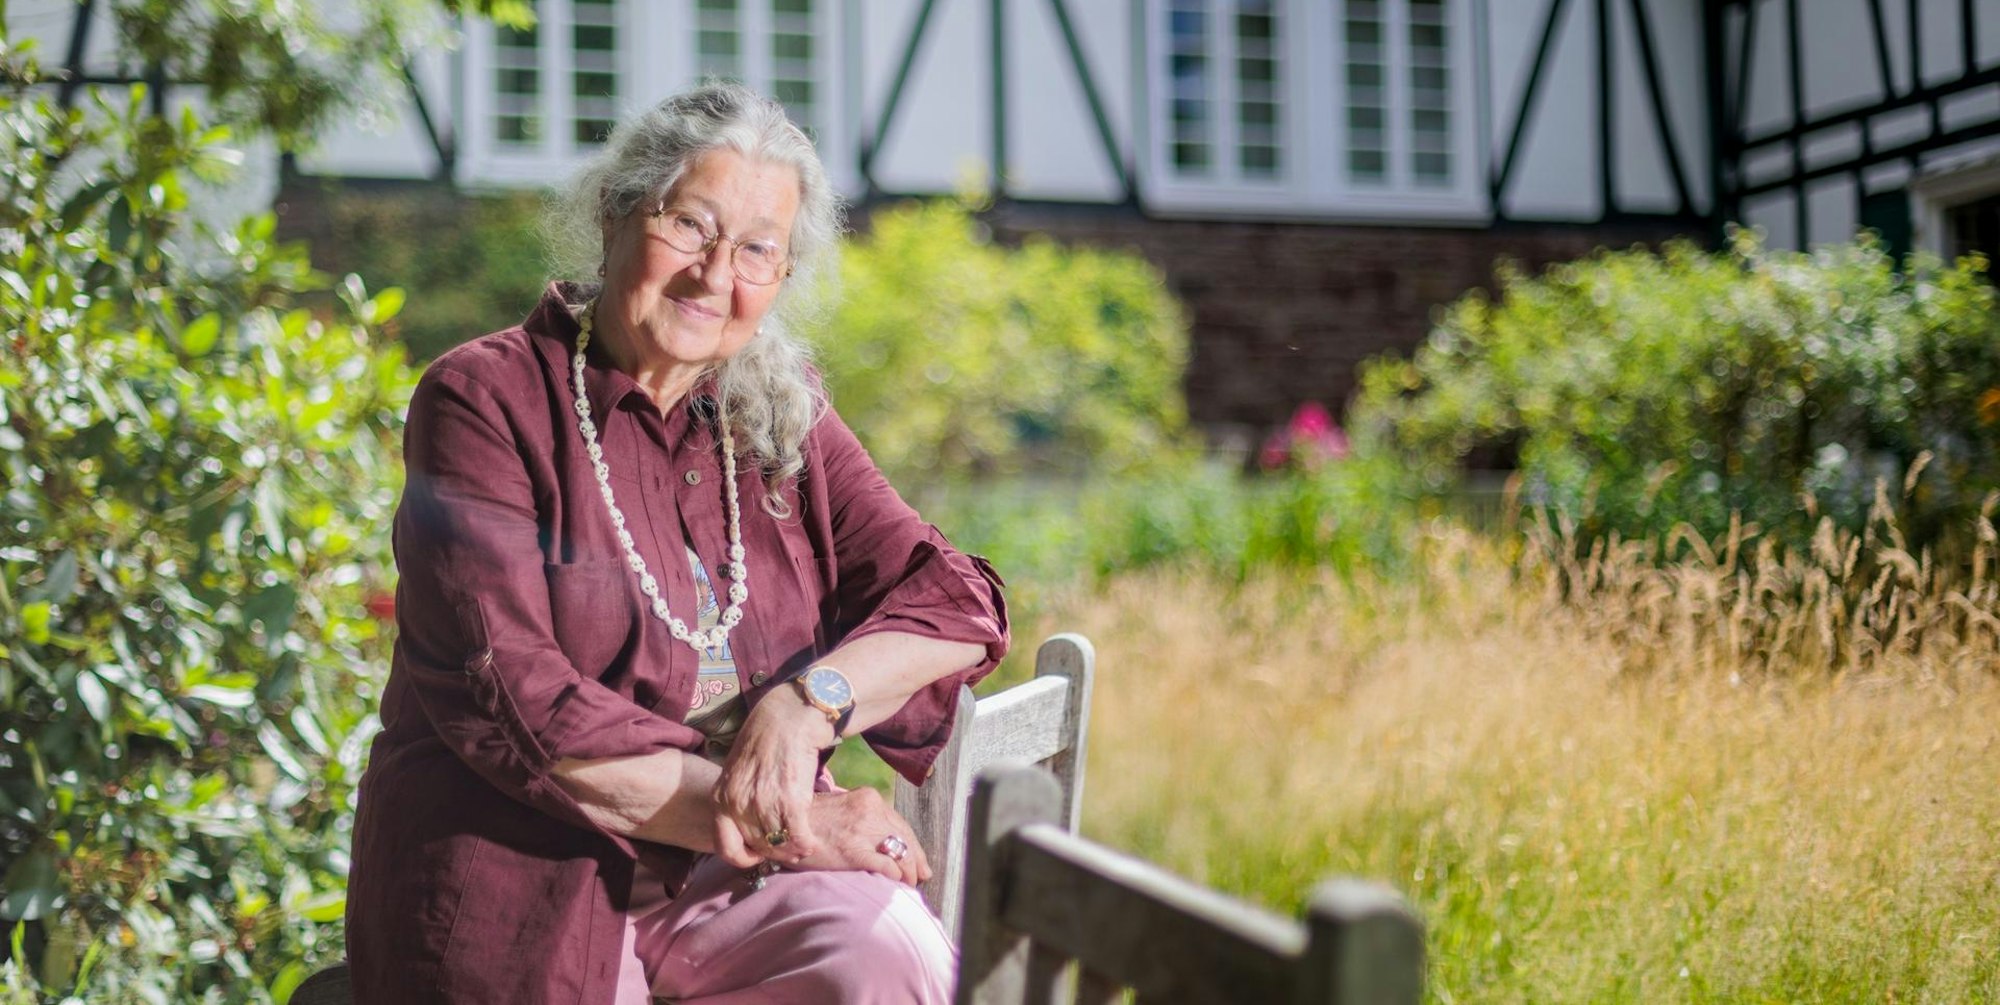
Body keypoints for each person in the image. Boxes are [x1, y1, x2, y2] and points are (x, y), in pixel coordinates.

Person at [344, 82, 1009, 1003]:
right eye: (690, 225)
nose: (714, 274)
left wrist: (809, 703)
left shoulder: (777, 411)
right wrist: (794, 823)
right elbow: (516, 703)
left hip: (733, 874)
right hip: (523, 871)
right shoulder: (484, 400)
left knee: (890, 951)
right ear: (616, 215)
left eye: (757, 250)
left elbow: (957, 602)